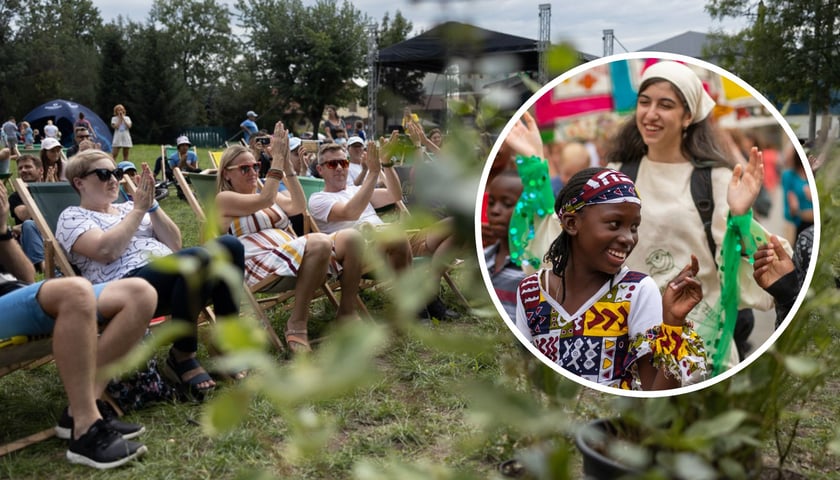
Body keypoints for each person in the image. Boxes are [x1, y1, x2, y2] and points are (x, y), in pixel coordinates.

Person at [603, 60, 788, 372]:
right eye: (644, 102)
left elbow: (748, 262)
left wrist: (741, 219)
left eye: (666, 105)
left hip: (700, 339)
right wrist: (533, 169)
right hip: (628, 335)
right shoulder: (616, 174)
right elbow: (578, 247)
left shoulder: (716, 178)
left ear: (688, 116)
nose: (651, 114)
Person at [55, 150, 246, 398]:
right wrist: (137, 212)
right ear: (79, 183)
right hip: (125, 287)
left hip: (171, 277)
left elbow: (175, 244)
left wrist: (152, 206)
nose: (114, 180)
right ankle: (182, 355)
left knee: (230, 245)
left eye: (116, 173)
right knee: (196, 259)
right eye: (104, 174)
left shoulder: (128, 207)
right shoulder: (72, 216)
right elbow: (105, 250)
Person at [0, 181, 155, 469]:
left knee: (139, 293)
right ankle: (85, 431)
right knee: (75, 290)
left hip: (13, 297)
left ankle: (81, 409)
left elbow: (25, 277)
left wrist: (1, 230)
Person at [514, 167, 708, 390]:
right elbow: (526, 382)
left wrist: (673, 324)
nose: (628, 238)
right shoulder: (530, 292)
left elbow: (655, 397)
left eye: (634, 227)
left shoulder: (636, 291)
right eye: (614, 224)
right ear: (571, 223)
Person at [215, 122, 365, 352]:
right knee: (320, 241)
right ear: (226, 173)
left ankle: (346, 312)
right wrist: (275, 161)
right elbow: (264, 201)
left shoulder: (267, 187)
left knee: (352, 238)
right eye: (244, 169)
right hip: (262, 262)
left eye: (255, 166)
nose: (254, 172)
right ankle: (296, 323)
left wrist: (285, 164)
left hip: (291, 252)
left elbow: (298, 205)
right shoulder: (224, 199)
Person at [308, 138, 458, 320]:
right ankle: (417, 306)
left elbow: (395, 195)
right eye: (332, 164)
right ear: (320, 169)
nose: (339, 167)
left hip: (394, 241)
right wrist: (373, 172)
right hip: (361, 253)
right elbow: (351, 212)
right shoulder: (318, 199)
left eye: (343, 162)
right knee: (395, 236)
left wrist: (386, 164)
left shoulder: (357, 190)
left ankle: (430, 290)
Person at [483, 169, 525, 319]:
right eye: (491, 203)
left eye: (507, 204)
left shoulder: (534, 269)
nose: (495, 211)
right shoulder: (485, 257)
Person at [7, 154, 45, 270]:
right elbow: (24, 215)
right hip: (30, 238)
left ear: (40, 170)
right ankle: (44, 266)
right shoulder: (15, 196)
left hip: (52, 235)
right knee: (28, 224)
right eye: (20, 168)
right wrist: (42, 194)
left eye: (28, 167)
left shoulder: (54, 191)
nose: (23, 170)